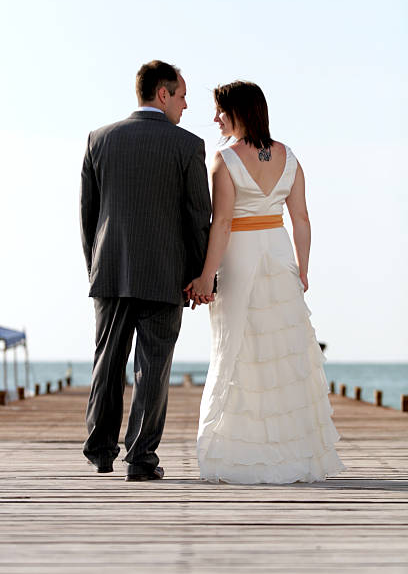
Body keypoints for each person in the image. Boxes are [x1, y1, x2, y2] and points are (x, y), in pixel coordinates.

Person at [186, 81, 346, 484]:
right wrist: (303, 269)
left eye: (220, 110)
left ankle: (235, 450)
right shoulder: (289, 157)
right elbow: (302, 220)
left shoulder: (224, 159)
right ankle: (290, 451)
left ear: (237, 111)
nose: (215, 118)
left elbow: (221, 222)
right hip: (278, 253)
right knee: (282, 351)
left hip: (238, 254)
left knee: (236, 346)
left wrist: (206, 276)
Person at [80, 60, 212, 481]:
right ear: (163, 94)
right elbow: (198, 217)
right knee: (153, 367)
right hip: (164, 274)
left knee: (107, 362)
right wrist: (200, 275)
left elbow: (88, 213)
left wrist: (95, 267)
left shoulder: (99, 139)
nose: (186, 104)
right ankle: (140, 459)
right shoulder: (187, 146)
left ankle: (100, 450)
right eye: (182, 95)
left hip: (110, 271)